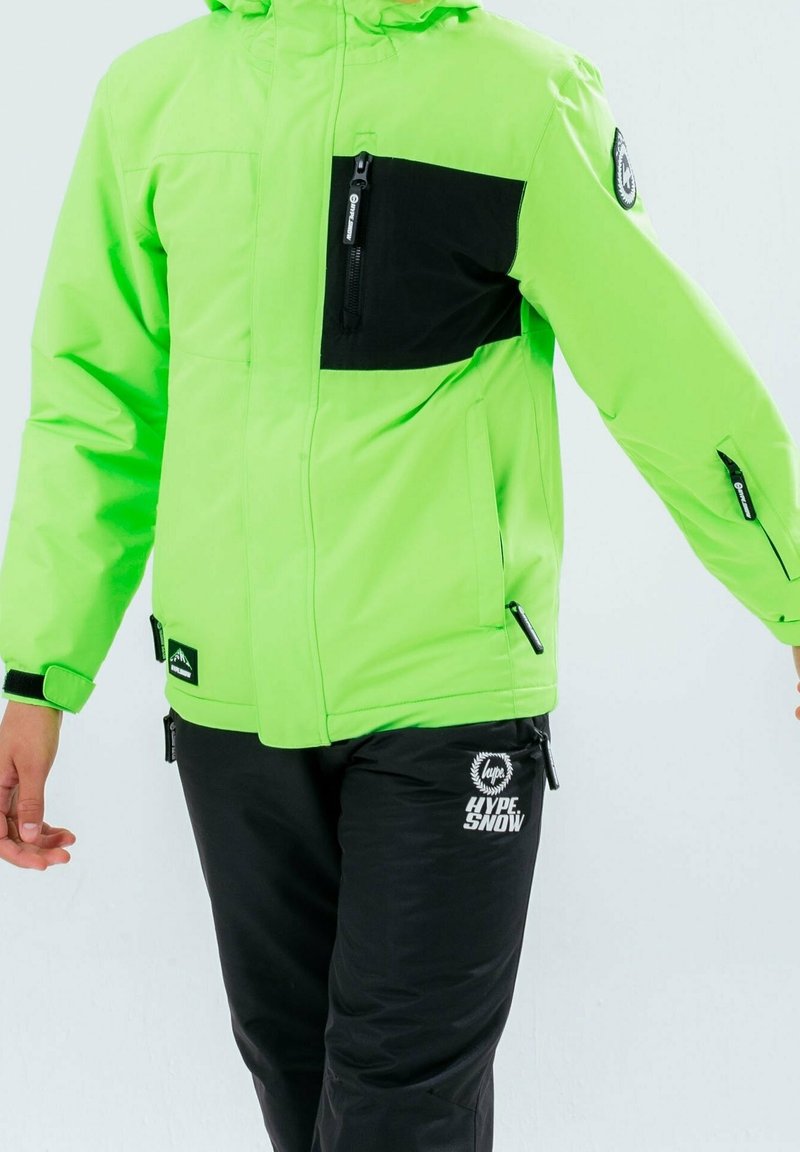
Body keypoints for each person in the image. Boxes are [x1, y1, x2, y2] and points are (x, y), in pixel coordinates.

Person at [1, 1, 799, 1148]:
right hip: (228, 711)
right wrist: (39, 674)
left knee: (395, 1113)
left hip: (447, 698)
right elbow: (97, 406)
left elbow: (662, 371)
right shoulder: (153, 98)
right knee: (297, 1086)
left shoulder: (520, 96)